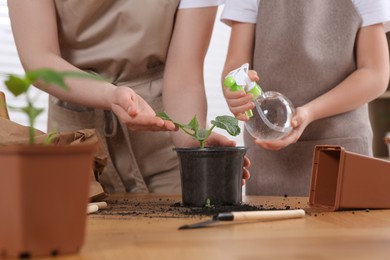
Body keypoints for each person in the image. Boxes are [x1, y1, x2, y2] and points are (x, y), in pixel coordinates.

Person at [8, 0, 250, 194]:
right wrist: (110, 95)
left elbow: (183, 74)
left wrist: (193, 143)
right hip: (77, 145)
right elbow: (39, 60)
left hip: (163, 149)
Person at [220, 0, 390, 196]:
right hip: (270, 155)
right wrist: (233, 88)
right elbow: (236, 64)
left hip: (343, 149)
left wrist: (309, 113)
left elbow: (375, 73)